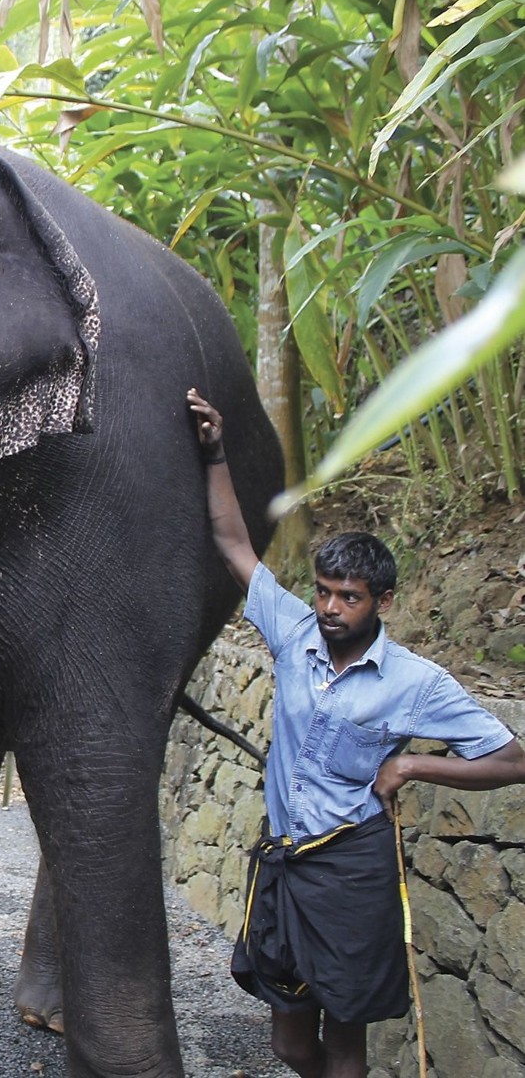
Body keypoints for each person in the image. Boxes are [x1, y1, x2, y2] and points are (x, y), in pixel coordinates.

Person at [185, 388, 525, 1077]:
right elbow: (230, 542)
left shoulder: (415, 682)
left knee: (344, 1043)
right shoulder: (291, 635)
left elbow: (511, 758)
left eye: (349, 597)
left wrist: (412, 768)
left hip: (351, 871)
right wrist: (214, 453)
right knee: (286, 1045)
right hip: (284, 863)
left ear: (382, 603)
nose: (332, 609)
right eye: (323, 592)